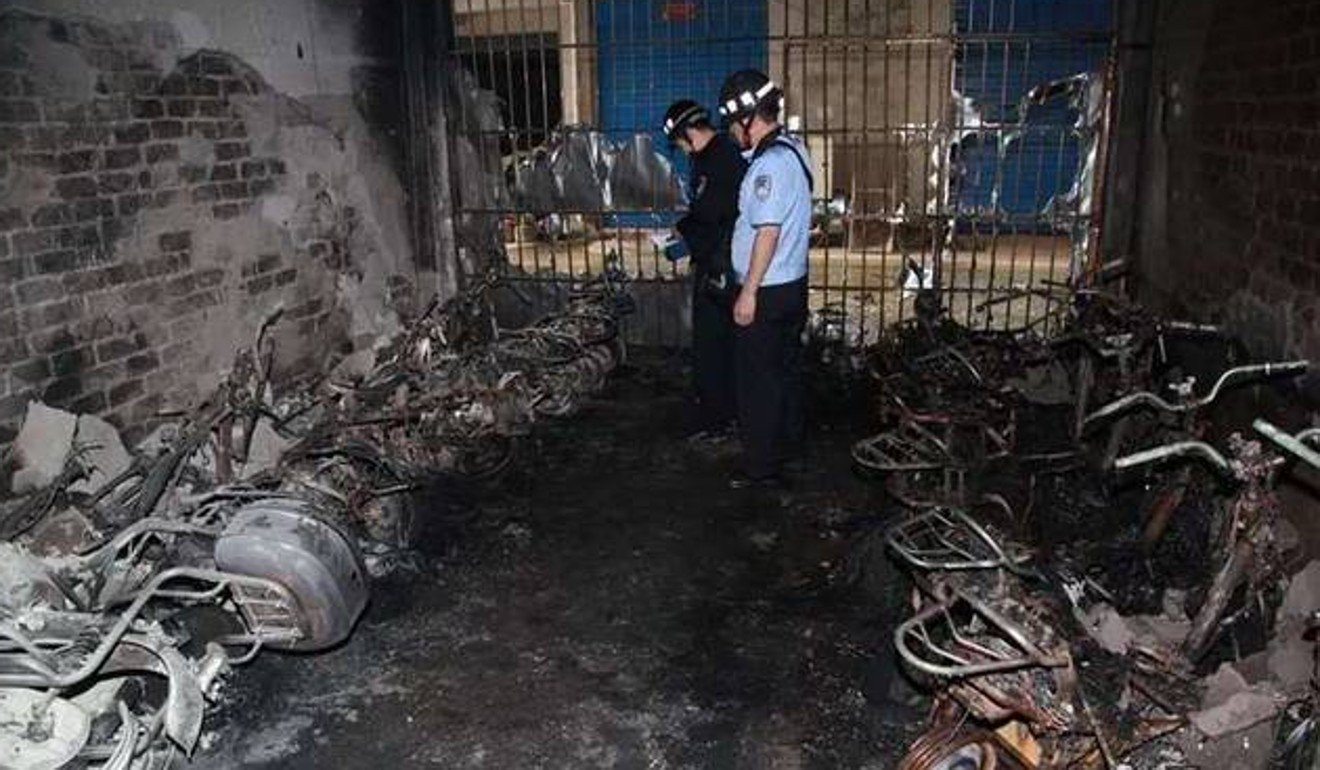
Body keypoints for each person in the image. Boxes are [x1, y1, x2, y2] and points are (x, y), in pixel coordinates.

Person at [717, 70, 812, 489]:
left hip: (767, 289)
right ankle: (786, 445)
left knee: (756, 381)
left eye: (733, 122)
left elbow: (767, 232)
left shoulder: (769, 165)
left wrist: (748, 293)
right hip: (793, 285)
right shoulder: (796, 150)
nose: (733, 132)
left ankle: (759, 465)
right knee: (784, 371)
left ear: (749, 117)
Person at [662, 99, 746, 439]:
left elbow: (716, 216)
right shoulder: (712, 156)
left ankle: (718, 420)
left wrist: (684, 238)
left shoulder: (721, 159)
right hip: (714, 262)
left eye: (680, 142)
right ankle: (718, 414)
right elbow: (704, 211)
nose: (681, 150)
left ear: (688, 133)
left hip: (721, 266)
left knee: (714, 346)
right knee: (713, 344)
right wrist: (683, 228)